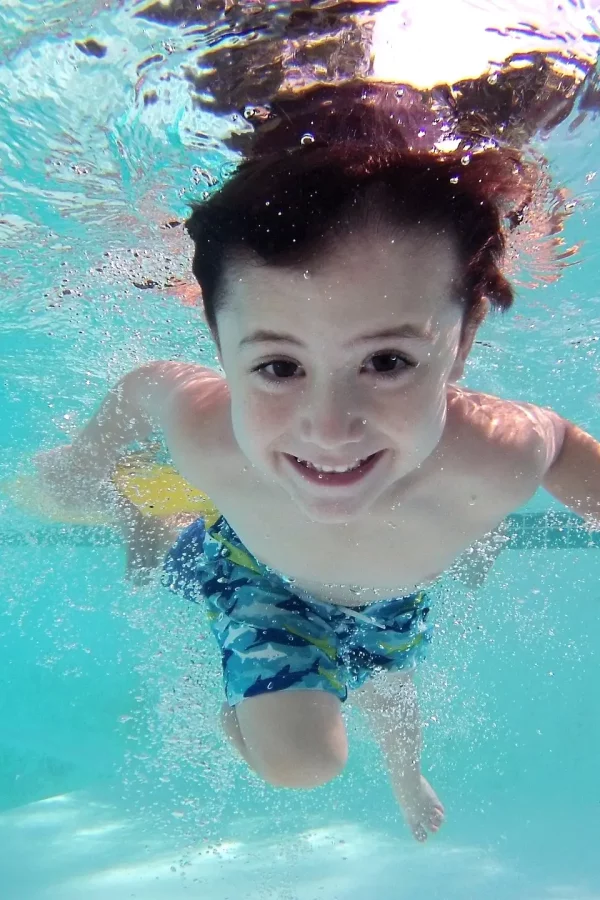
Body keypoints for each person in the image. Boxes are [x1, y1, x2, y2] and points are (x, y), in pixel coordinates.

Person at [35, 87, 600, 843]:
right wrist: (84, 461)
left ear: (461, 345)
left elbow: (562, 445)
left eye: (389, 360)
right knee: (301, 762)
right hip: (258, 578)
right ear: (219, 342)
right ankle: (164, 532)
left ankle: (406, 777)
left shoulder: (502, 450)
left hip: (392, 596)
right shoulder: (208, 433)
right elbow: (142, 389)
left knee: (392, 693)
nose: (330, 430)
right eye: (277, 367)